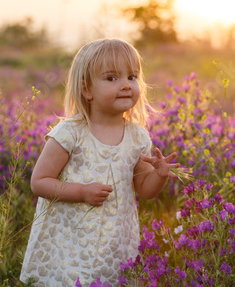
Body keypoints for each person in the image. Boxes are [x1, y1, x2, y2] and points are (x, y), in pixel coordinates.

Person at [20, 38, 179, 286]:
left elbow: (145, 190)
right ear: (86, 90)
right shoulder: (70, 133)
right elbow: (39, 182)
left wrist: (158, 175)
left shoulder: (138, 137)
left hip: (113, 243)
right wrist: (82, 192)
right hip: (68, 243)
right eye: (112, 78)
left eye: (132, 76)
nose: (126, 85)